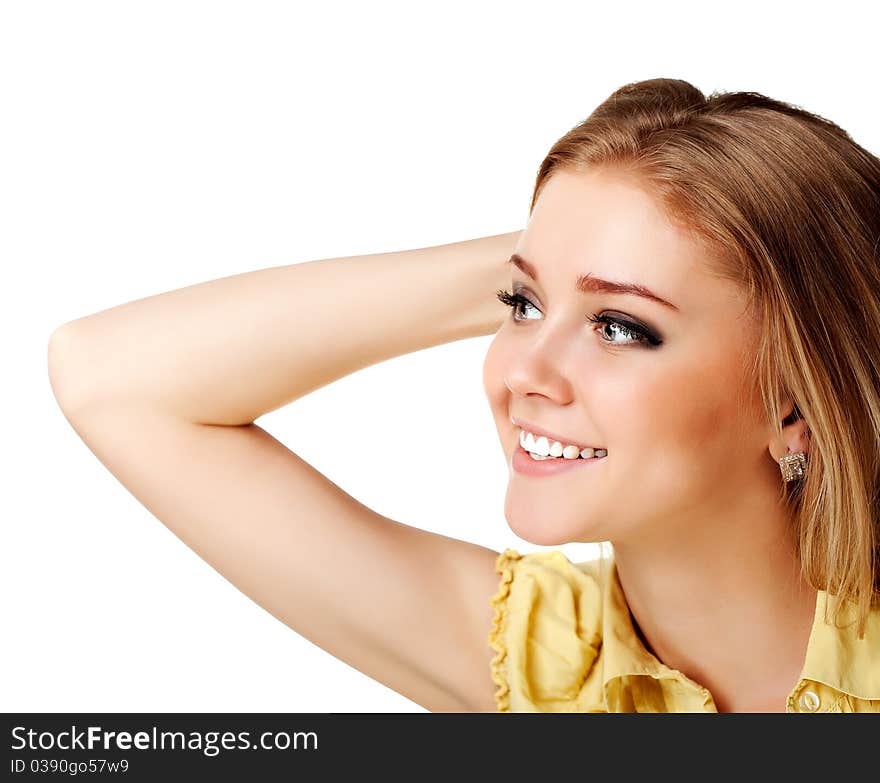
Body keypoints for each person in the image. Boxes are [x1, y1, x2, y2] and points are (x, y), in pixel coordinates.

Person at [47, 77, 880, 713]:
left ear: (794, 405)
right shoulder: (553, 662)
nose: (523, 372)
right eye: (521, 308)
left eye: (621, 328)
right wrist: (564, 245)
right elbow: (110, 378)